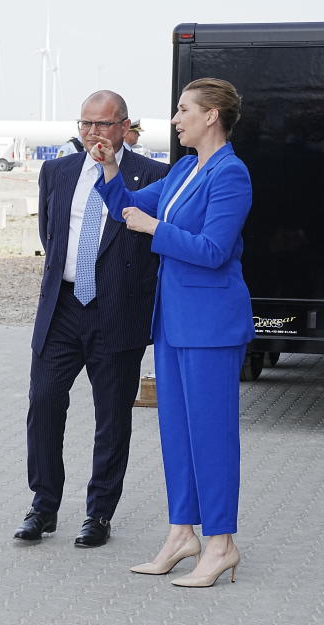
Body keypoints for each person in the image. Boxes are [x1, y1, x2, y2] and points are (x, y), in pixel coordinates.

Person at [90, 77, 253, 587]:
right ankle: (183, 533)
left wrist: (155, 229)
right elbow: (126, 207)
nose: (176, 119)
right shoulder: (185, 168)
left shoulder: (231, 174)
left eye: (184, 111)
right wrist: (111, 166)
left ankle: (221, 542)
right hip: (175, 323)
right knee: (177, 436)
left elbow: (213, 250)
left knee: (213, 435)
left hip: (212, 327)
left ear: (211, 116)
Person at [13, 90, 169, 547]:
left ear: (124, 127)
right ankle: (43, 506)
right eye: (86, 124)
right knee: (43, 402)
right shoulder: (56, 172)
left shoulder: (152, 175)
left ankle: (99, 513)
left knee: (112, 416)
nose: (93, 134)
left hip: (115, 312)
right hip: (61, 307)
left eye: (103, 125)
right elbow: (50, 232)